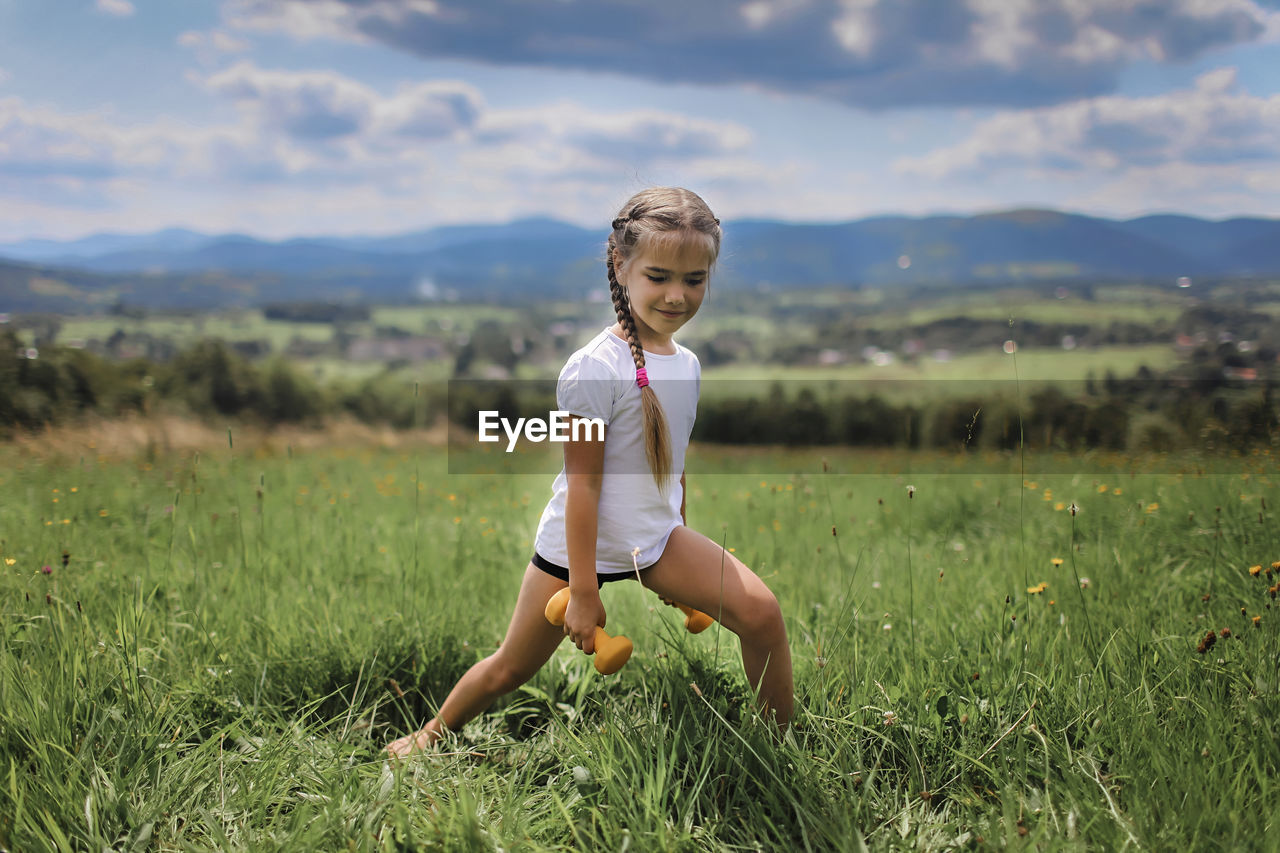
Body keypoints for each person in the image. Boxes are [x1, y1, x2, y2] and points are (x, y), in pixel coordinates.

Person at [386, 187, 793, 757]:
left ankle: (780, 750)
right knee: (509, 669)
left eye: (694, 279)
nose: (677, 295)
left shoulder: (688, 365)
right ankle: (425, 739)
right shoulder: (592, 370)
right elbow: (585, 487)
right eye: (658, 276)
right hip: (576, 550)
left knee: (763, 615)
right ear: (622, 267)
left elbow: (673, 465)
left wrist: (679, 530)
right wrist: (581, 591)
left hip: (653, 541)